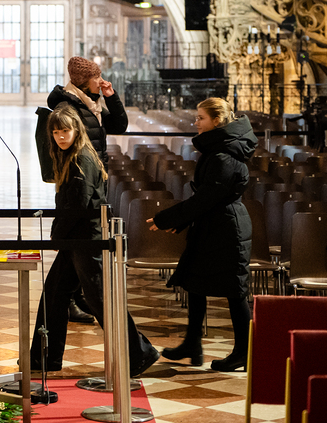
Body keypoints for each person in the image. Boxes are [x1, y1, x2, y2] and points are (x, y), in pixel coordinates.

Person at [31, 105, 160, 376]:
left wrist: (58, 235)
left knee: (100, 299)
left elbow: (78, 205)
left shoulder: (82, 159)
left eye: (65, 131)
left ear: (76, 130)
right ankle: (45, 358)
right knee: (54, 295)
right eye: (55, 132)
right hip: (75, 238)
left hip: (87, 240)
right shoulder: (69, 155)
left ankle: (139, 353)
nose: (60, 137)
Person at [147, 97, 256, 372]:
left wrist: (168, 218)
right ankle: (192, 343)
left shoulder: (224, 155)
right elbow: (206, 201)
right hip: (213, 223)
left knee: (235, 290)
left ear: (217, 121)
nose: (196, 122)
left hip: (226, 227)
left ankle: (244, 352)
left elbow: (206, 198)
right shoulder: (219, 147)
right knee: (195, 280)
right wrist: (182, 221)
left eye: (201, 118)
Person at [44, 56, 129, 323]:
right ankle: (77, 301)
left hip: (94, 172)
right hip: (80, 174)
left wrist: (111, 97)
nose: (101, 80)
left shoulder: (92, 104)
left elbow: (119, 126)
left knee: (75, 252)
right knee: (78, 244)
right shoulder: (69, 106)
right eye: (96, 77)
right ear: (84, 81)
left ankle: (76, 299)